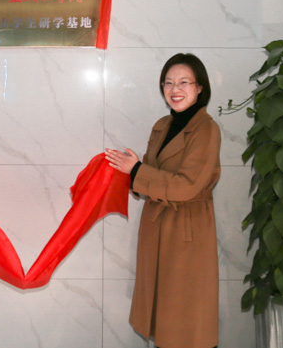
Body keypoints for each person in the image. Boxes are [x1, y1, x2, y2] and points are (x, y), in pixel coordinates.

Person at [105, 53, 220, 348]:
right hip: (156, 227)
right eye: (168, 83)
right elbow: (148, 173)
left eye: (184, 82)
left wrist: (137, 171)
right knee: (163, 317)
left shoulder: (206, 129)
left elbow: (187, 186)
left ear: (200, 88)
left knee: (185, 318)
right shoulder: (162, 125)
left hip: (187, 231)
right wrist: (129, 170)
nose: (174, 89)